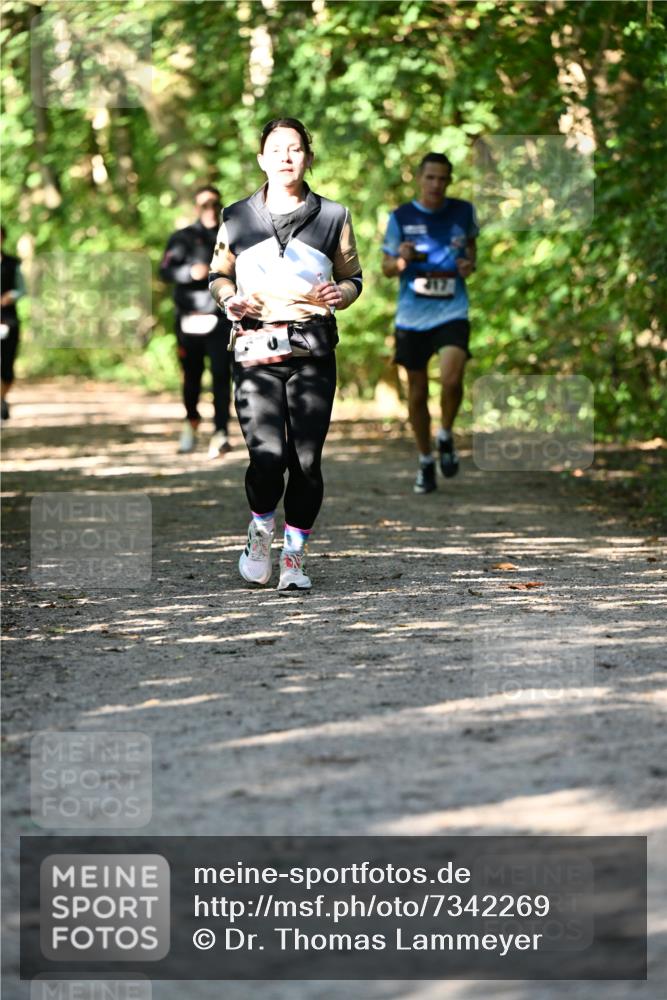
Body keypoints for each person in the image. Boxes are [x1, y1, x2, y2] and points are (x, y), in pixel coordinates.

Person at [209, 117, 362, 593]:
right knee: (267, 455)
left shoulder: (333, 215)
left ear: (308, 157)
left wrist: (343, 294)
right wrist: (228, 299)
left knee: (307, 461)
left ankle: (294, 555)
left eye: (295, 149)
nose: (286, 157)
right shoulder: (236, 216)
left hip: (312, 346)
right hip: (254, 344)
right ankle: (260, 530)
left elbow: (354, 278)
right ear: (262, 160)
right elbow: (218, 276)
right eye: (276, 149)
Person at [382, 153, 479, 493]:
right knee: (418, 393)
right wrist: (400, 259)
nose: (437, 184)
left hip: (452, 310)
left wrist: (469, 266)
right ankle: (425, 460)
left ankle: (446, 434)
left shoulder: (463, 212)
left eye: (443, 179)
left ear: (449, 181)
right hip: (412, 317)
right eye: (431, 178)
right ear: (420, 179)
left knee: (452, 379)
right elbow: (385, 267)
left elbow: (470, 252)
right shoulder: (401, 217)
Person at [160, 186, 233, 457]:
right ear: (196, 208)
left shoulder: (230, 236)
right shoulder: (182, 238)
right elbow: (165, 270)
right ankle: (191, 422)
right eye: (204, 205)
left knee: (222, 376)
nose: (210, 209)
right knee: (191, 377)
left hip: (221, 319)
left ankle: (221, 432)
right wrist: (190, 272)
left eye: (215, 203)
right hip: (188, 320)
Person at [0, 225, 26, 421]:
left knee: (7, 365)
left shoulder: (12, 263)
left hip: (8, 318)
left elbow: (22, 288)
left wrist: (11, 295)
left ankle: (2, 399)